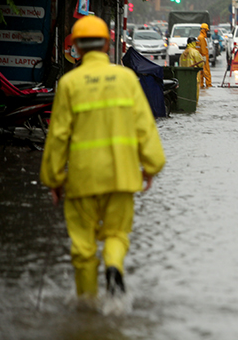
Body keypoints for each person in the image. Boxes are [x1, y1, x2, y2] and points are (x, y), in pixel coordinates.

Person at [40, 15, 165, 301]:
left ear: (77, 48)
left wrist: (53, 179)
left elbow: (58, 137)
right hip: (121, 178)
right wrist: (151, 167)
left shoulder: (70, 83)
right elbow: (145, 127)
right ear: (108, 45)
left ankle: (86, 308)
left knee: (83, 249)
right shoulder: (126, 79)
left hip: (82, 181)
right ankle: (113, 266)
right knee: (116, 235)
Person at [180, 37, 206, 104]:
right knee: (194, 94)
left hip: (184, 77)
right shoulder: (194, 52)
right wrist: (203, 60)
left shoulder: (183, 53)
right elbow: (200, 64)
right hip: (194, 77)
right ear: (193, 43)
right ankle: (194, 105)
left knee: (186, 93)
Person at [197, 23, 212, 88]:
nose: (207, 32)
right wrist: (204, 57)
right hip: (204, 56)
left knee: (201, 71)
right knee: (206, 71)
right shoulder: (202, 38)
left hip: (201, 56)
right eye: (207, 30)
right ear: (204, 30)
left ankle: (201, 84)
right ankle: (208, 84)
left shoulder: (200, 37)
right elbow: (203, 49)